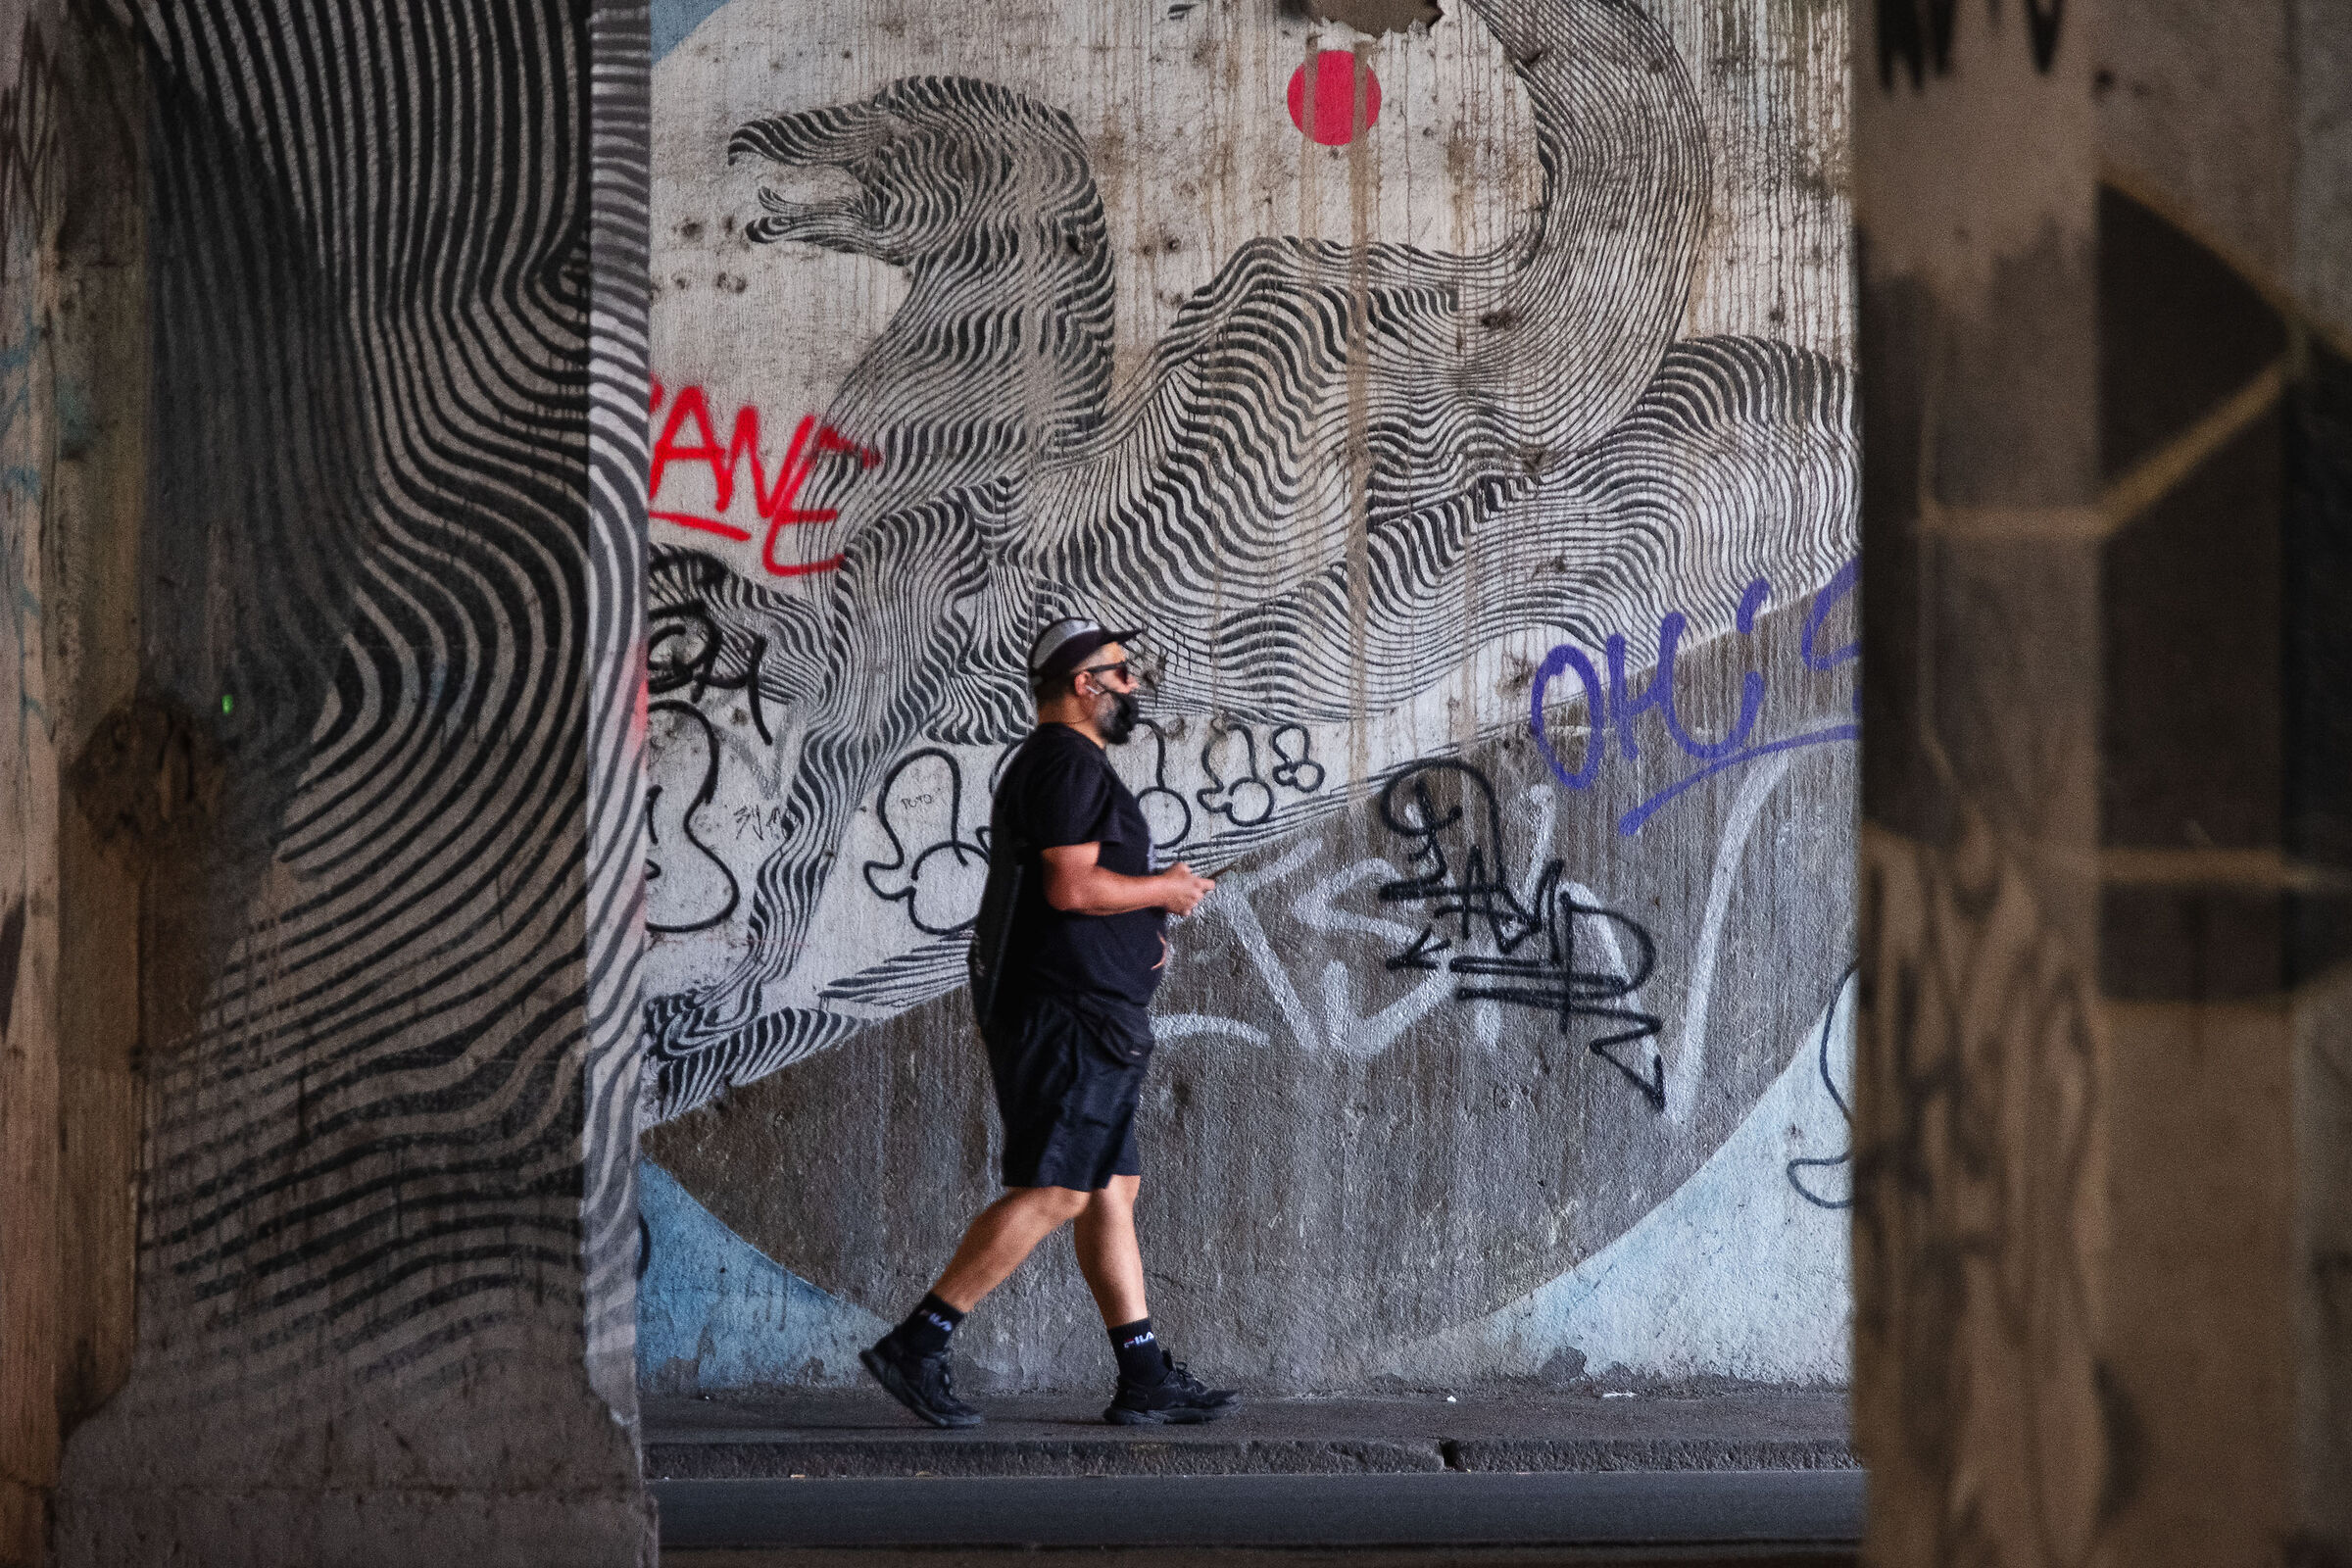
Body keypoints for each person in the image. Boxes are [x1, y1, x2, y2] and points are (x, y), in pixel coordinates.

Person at [858, 616, 1240, 1428]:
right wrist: (1163, 891)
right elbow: (1071, 887)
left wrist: (1139, 937)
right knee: (1060, 1188)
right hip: (1068, 1019)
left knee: (1109, 1185)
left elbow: (1067, 894)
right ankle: (918, 1344)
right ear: (1084, 684)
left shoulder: (1063, 766)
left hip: (1088, 1012)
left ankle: (1142, 1379)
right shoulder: (1066, 764)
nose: (1134, 685)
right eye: (1122, 673)